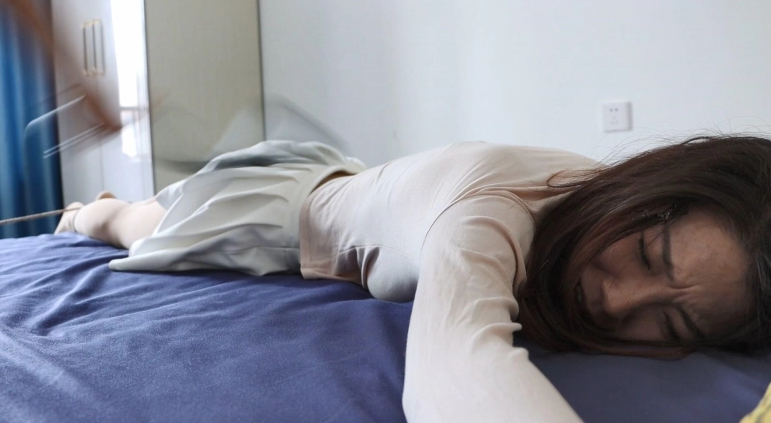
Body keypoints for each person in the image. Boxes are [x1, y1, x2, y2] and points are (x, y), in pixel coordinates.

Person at [55, 136, 771, 422]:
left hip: (352, 180)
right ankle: (85, 208)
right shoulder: (492, 213)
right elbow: (453, 372)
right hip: (272, 210)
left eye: (670, 322)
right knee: (123, 223)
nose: (618, 301)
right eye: (646, 256)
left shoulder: (597, 207)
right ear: (645, 190)